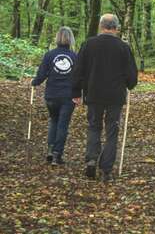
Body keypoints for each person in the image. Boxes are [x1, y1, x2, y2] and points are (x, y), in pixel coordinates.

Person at [72, 14, 138, 182]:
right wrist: (130, 84)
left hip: (93, 93)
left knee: (94, 126)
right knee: (112, 131)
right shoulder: (123, 47)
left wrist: (76, 92)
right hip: (115, 96)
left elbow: (78, 70)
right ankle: (106, 169)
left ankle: (92, 159)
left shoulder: (88, 44)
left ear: (101, 27)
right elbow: (132, 75)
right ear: (116, 28)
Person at [32, 27, 77, 166]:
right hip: (67, 96)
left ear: (57, 38)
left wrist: (35, 82)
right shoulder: (75, 56)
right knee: (62, 125)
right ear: (70, 39)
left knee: (53, 121)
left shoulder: (49, 55)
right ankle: (57, 155)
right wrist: (80, 93)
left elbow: (42, 74)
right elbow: (79, 77)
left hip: (51, 95)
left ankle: (51, 151)